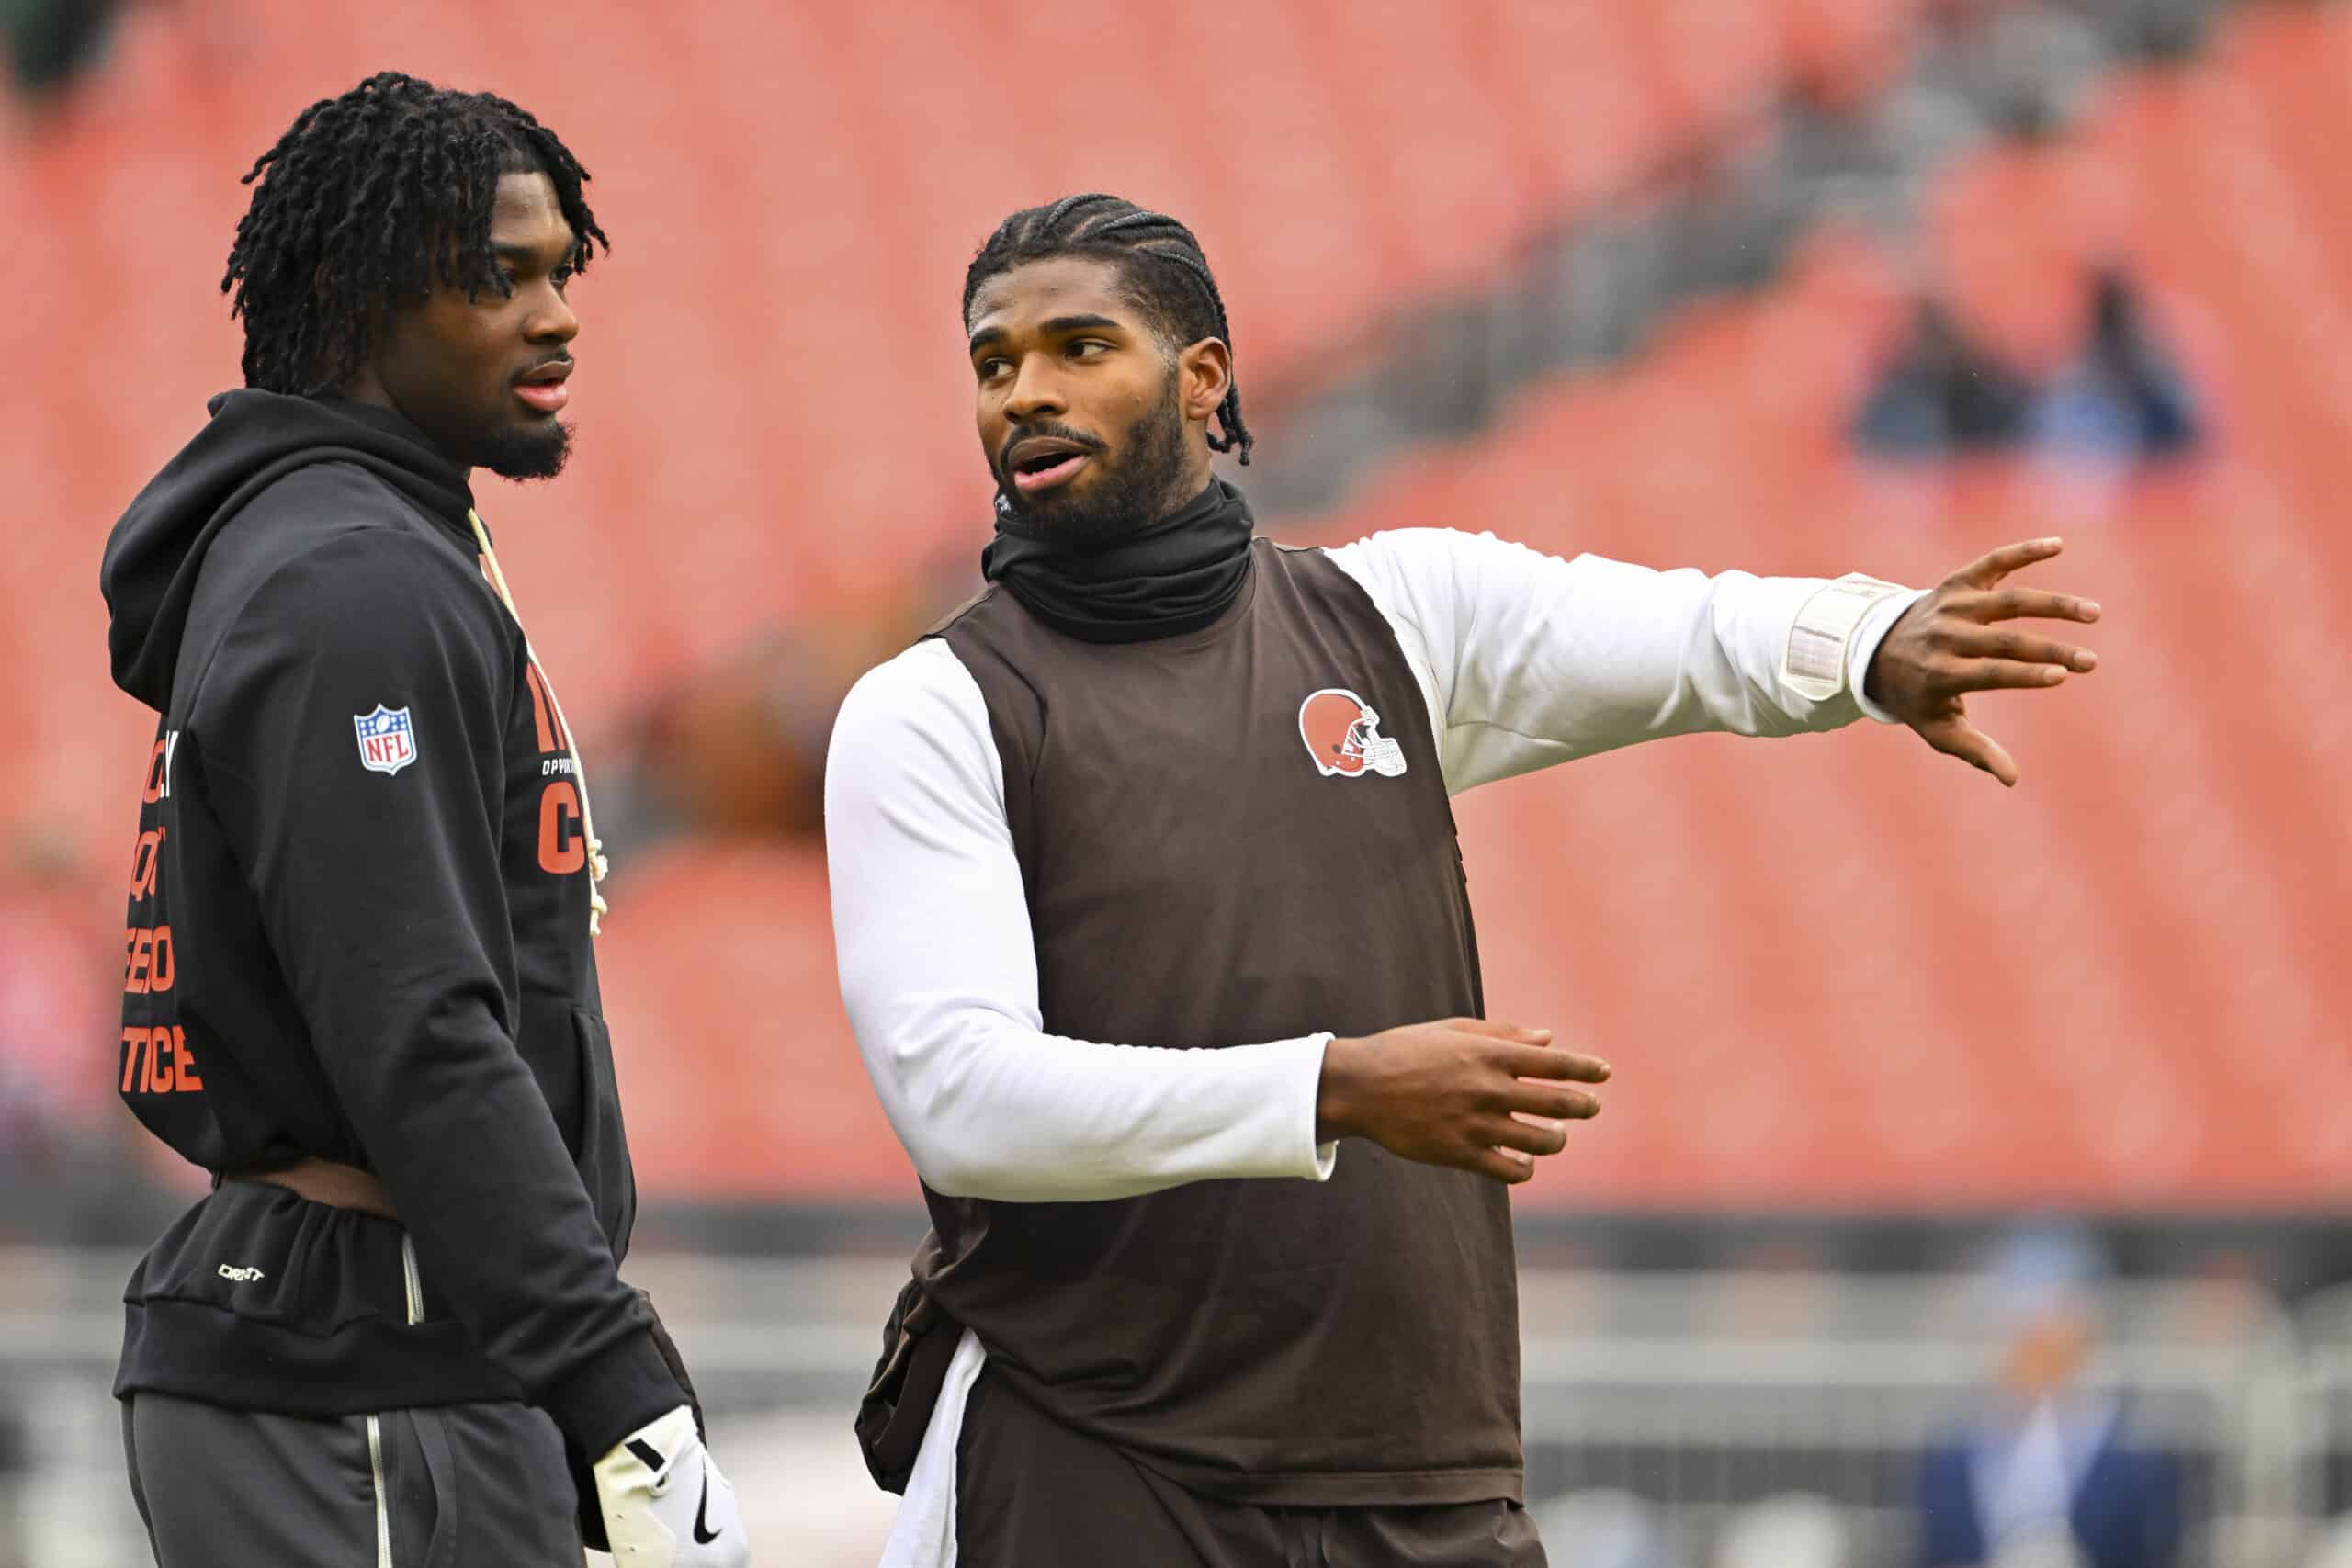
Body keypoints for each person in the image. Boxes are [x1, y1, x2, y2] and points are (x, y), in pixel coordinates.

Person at [825, 193, 2104, 1566]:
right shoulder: (932, 708)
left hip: (1421, 1468)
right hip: (1098, 1455)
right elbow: (962, 1100)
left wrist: (1869, 640)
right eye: (995, 362)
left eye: (1082, 347)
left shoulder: (1391, 613)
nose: (1026, 392)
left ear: (1204, 379)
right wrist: (1336, 1083)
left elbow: (1680, 630)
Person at [96, 73, 747, 1568]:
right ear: (349, 294)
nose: (558, 314)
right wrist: (618, 1387)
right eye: (496, 276)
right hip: (361, 1369)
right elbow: (416, 1023)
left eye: (559, 273)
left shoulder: (364, 543)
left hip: (402, 1348)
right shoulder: (349, 581)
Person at [1917, 1226, 2182, 1568]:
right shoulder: (1952, 1449)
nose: (2038, 1343)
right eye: (2024, 1324)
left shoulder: (2138, 1451)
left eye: (2055, 1321)